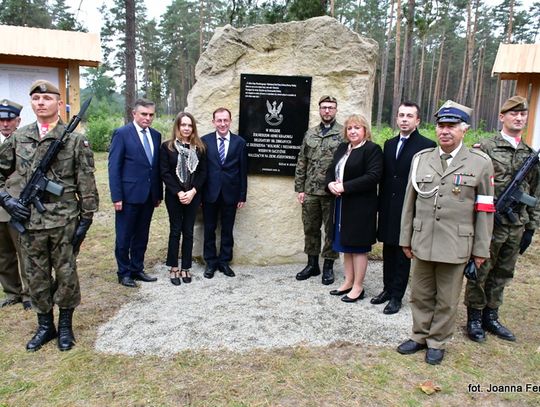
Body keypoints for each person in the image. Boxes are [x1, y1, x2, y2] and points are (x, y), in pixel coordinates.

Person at [0, 80, 99, 351]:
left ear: (58, 102)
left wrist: (86, 219)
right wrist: (7, 200)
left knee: (66, 275)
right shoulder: (19, 137)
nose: (41, 102)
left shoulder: (74, 139)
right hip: (29, 221)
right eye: (36, 98)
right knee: (35, 276)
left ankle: (65, 327)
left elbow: (85, 181)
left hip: (64, 221)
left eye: (46, 98)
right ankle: (46, 326)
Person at [397, 100, 494, 365]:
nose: (445, 131)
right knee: (420, 293)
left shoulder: (480, 163)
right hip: (423, 238)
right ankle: (419, 335)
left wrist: (481, 249)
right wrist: (405, 238)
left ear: (464, 130)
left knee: (447, 298)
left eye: (451, 126)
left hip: (456, 243)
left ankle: (437, 341)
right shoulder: (422, 159)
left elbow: (485, 210)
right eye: (441, 126)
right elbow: (410, 203)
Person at [464, 96, 539, 343]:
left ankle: (491, 316)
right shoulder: (485, 147)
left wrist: (531, 227)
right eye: (513, 114)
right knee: (480, 270)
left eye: (522, 114)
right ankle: (474, 318)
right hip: (488, 224)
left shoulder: (530, 154)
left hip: (516, 225)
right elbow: (471, 187)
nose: (518, 118)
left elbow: (535, 193)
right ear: (502, 117)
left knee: (503, 272)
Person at [374, 102, 436, 314]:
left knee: (403, 251)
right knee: (388, 248)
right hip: (388, 206)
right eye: (401, 115)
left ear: (417, 120)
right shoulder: (389, 144)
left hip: (410, 207)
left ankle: (397, 296)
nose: (404, 119)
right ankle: (386, 288)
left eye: (409, 116)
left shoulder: (427, 145)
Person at [326, 114, 383, 302]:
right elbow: (330, 171)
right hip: (341, 204)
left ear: (365, 130)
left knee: (358, 248)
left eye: (357, 127)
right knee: (345, 245)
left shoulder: (372, 149)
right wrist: (330, 185)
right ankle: (348, 281)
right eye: (349, 128)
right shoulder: (343, 148)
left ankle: (358, 286)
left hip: (360, 207)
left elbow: (373, 176)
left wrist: (345, 187)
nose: (352, 131)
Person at [109, 99, 162, 288]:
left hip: (148, 196)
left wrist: (157, 194)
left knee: (142, 235)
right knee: (124, 236)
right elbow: (114, 167)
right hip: (128, 196)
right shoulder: (122, 134)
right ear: (134, 114)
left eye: (151, 115)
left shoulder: (156, 135)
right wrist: (117, 196)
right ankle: (123, 273)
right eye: (144, 114)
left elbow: (154, 167)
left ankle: (137, 268)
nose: (148, 118)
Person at [294, 95, 343, 285]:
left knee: (331, 231)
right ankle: (312, 264)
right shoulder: (310, 133)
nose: (327, 111)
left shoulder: (343, 133)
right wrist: (300, 188)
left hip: (332, 192)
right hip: (311, 191)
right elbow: (302, 161)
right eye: (324, 107)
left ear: (336, 110)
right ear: (319, 110)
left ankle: (328, 267)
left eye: (331, 107)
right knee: (310, 228)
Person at [160, 112, 207, 285]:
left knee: (188, 231)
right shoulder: (167, 147)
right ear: (178, 127)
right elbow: (164, 172)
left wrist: (193, 191)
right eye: (183, 125)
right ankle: (173, 267)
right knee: (175, 230)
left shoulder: (200, 148)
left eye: (189, 125)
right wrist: (179, 193)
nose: (186, 128)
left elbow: (203, 173)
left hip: (193, 196)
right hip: (174, 196)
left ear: (193, 127)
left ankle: (185, 267)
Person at [201, 107, 247, 278]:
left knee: (227, 230)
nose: (222, 124)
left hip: (231, 194)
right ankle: (210, 263)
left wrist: (242, 195)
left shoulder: (239, 142)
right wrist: (198, 195)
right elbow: (200, 171)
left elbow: (243, 171)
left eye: (225, 120)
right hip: (209, 194)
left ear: (230, 121)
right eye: (219, 120)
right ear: (213, 122)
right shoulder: (204, 141)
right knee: (209, 229)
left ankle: (224, 262)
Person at [0, 99, 31, 310]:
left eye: (9, 120)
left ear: (18, 120)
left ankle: (29, 294)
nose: (4, 124)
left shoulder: (25, 142)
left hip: (17, 206)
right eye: (1, 120)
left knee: (25, 252)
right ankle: (12, 292)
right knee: (3, 254)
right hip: (1, 206)